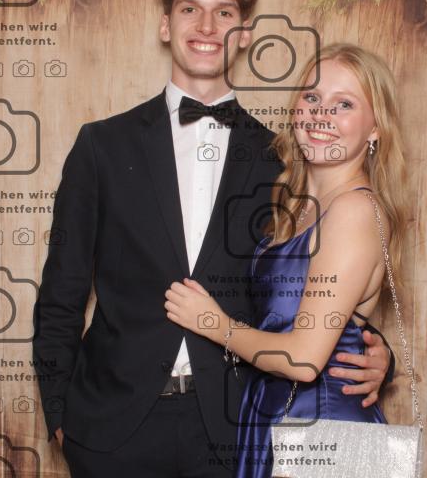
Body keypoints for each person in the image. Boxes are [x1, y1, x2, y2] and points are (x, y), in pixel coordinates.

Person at [32, 0, 395, 478]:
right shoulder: (102, 147)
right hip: (110, 430)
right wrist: (60, 416)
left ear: (244, 34)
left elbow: (313, 291)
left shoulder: (284, 160)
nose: (206, 26)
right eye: (189, 9)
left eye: (224, 13)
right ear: (165, 25)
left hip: (234, 429)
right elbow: (60, 295)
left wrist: (375, 356)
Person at [164, 42, 410, 477]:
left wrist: (213, 323)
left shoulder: (353, 210)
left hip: (324, 430)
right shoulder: (295, 205)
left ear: (376, 128)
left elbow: (306, 359)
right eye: (313, 97)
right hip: (276, 414)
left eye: (344, 104)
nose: (321, 114)